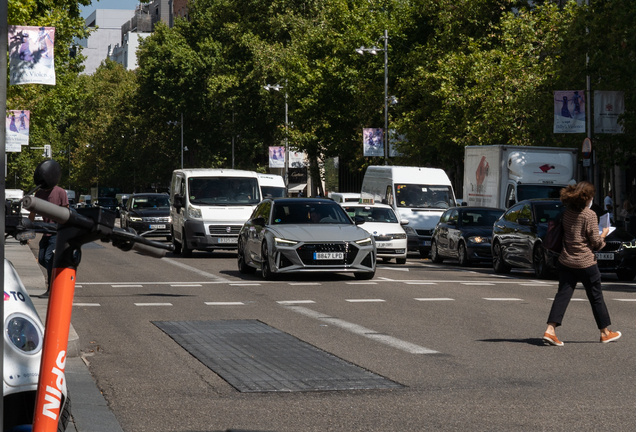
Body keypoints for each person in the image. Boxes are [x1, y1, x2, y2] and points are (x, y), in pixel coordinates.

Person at [543, 181, 621, 346]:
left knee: (563, 295)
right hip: (585, 262)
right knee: (596, 297)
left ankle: (550, 330)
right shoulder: (589, 215)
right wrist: (604, 234)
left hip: (566, 260)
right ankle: (605, 332)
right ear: (586, 198)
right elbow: (595, 243)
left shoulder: (566, 213)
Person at [29, 185, 69, 298]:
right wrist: (27, 227)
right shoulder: (39, 194)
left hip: (57, 232)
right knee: (42, 259)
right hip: (46, 232)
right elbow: (32, 212)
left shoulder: (60, 192)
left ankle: (51, 290)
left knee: (48, 259)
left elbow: (66, 211)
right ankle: (58, 276)